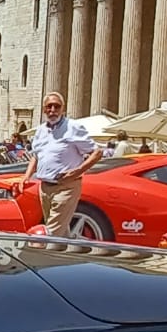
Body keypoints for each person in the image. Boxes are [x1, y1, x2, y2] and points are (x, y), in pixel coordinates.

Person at [24, 92, 100, 237]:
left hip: (66, 187)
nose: (53, 110)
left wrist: (77, 171)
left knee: (51, 233)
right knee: (60, 232)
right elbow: (36, 156)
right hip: (45, 188)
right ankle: (64, 257)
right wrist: (26, 176)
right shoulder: (40, 131)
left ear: (62, 109)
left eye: (56, 106)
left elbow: (97, 153)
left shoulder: (73, 127)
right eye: (49, 106)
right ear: (44, 109)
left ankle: (45, 258)